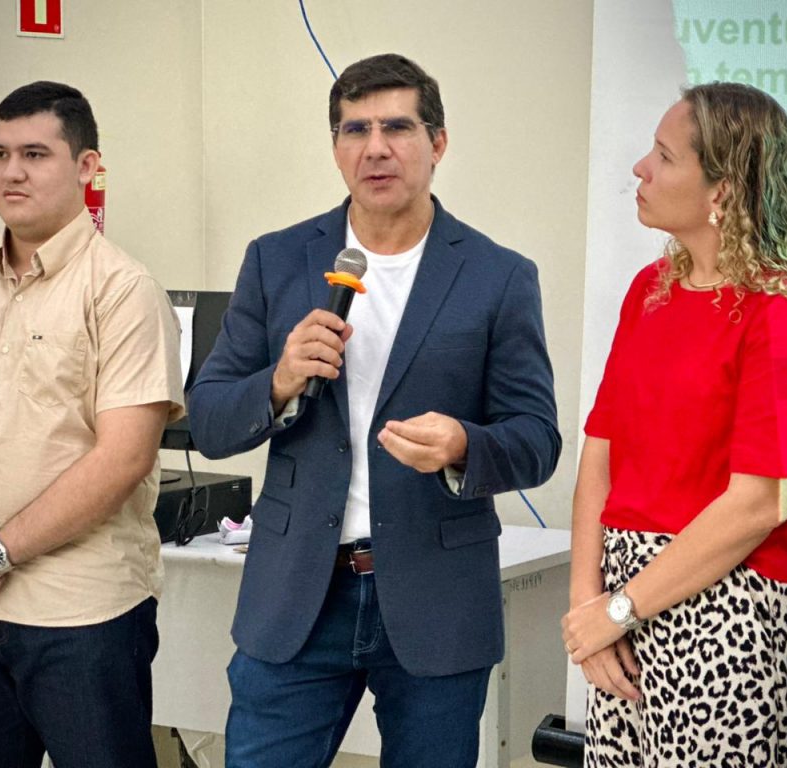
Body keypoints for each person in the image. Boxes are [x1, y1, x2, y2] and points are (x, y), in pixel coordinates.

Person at [188, 53, 560, 767]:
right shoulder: (277, 260)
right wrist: (278, 381)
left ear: (437, 143)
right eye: (355, 129)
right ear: (335, 147)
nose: (375, 147)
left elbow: (537, 439)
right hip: (297, 595)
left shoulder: (498, 275)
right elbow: (208, 419)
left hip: (435, 599)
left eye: (397, 127)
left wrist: (463, 444)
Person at [0, 81, 185, 768]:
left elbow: (124, 458)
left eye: (35, 154)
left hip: (79, 617)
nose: (11, 172)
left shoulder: (123, 290)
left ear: (87, 167)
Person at [561, 82, 787, 767]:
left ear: (722, 189)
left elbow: (760, 503)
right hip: (623, 612)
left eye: (664, 156)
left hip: (730, 617)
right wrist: (588, 607)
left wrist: (618, 609)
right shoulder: (649, 291)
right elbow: (599, 454)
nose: (641, 168)